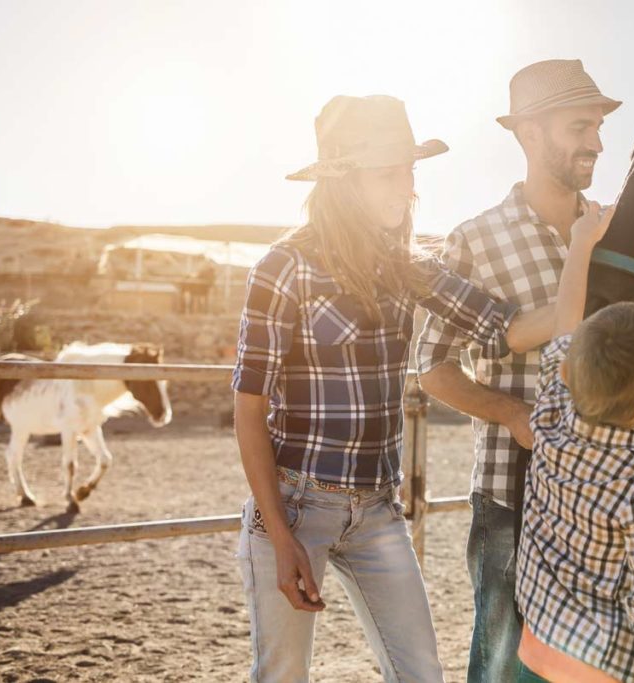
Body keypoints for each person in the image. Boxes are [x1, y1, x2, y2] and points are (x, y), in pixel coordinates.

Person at [416, 59, 634, 682]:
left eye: (598, 127)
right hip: (511, 492)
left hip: (607, 509)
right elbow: (430, 368)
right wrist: (513, 414)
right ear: (529, 135)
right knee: (503, 665)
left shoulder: (628, 231)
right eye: (579, 126)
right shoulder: (473, 239)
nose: (596, 142)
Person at [232, 94, 553, 683]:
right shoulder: (283, 269)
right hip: (297, 503)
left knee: (422, 673)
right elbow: (248, 408)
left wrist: (585, 263)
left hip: (379, 509)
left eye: (409, 171)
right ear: (343, 182)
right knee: (280, 674)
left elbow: (507, 326)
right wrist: (279, 534)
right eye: (388, 173)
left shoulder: (407, 267)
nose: (406, 187)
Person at [514, 203, 634, 683]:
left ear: (567, 374)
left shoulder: (549, 413)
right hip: (601, 670)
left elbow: (566, 323)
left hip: (535, 652)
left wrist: (581, 242)